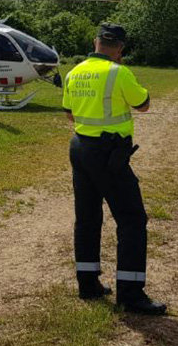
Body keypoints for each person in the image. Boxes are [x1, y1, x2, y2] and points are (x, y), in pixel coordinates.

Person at [62, 23, 166, 315]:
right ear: (120, 48)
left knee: (87, 218)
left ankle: (88, 284)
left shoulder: (74, 72)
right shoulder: (119, 72)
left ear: (95, 42)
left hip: (80, 148)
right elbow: (143, 104)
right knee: (132, 219)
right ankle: (130, 294)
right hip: (108, 153)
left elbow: (70, 114)